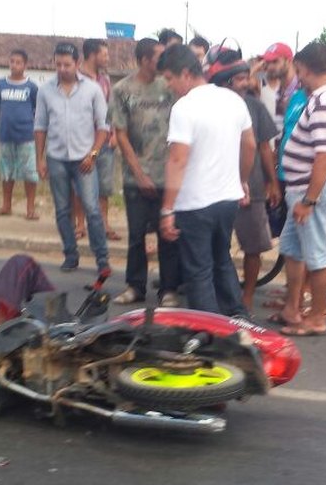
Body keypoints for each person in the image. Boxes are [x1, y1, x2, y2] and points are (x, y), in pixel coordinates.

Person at [157, 44, 255, 317]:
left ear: (186, 74)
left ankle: (209, 334)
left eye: (169, 78)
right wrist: (242, 180)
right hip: (227, 199)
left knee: (198, 271)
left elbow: (177, 160)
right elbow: (250, 145)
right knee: (222, 260)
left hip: (195, 204)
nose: (169, 85)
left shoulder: (184, 108)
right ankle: (238, 320)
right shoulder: (233, 100)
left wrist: (167, 209)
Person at [272, 43, 326, 337]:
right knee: (293, 249)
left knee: (318, 255)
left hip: (310, 191)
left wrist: (310, 199)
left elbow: (324, 155)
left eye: (298, 71)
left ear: (305, 68)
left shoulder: (323, 102)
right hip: (303, 188)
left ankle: (318, 316)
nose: (298, 77)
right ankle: (293, 308)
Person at [110, 38, 180, 306]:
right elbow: (121, 134)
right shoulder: (122, 90)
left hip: (168, 176)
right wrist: (139, 174)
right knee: (136, 234)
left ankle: (169, 289)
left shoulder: (170, 87)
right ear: (143, 60)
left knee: (168, 235)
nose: (163, 63)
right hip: (135, 177)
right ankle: (135, 286)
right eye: (158, 58)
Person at [209, 47, 280, 310]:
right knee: (218, 246)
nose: (247, 83)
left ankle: (247, 295)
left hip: (252, 186)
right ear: (227, 82)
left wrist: (272, 182)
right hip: (217, 187)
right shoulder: (210, 107)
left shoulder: (254, 107)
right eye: (240, 79)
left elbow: (264, 147)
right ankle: (220, 294)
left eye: (246, 78)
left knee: (252, 246)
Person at [34, 42, 111, 274]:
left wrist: (93, 154)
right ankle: (70, 254)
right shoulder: (45, 90)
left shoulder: (92, 89)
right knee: (62, 209)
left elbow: (104, 126)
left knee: (92, 208)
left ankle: (102, 259)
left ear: (77, 63)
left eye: (67, 64)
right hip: (56, 158)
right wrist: (39, 159)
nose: (62, 68)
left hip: (84, 159)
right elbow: (40, 126)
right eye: (58, 64)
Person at [73, 38, 120, 241]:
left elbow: (111, 110)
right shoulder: (75, 79)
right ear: (92, 55)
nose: (107, 58)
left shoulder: (105, 80)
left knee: (104, 185)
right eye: (104, 54)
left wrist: (115, 133)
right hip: (82, 142)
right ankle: (79, 225)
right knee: (80, 186)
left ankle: (104, 223)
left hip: (105, 141)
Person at [0, 49, 39, 220]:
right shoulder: (1, 84)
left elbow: (36, 111)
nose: (14, 65)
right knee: (7, 172)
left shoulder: (31, 87)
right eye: (12, 61)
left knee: (30, 173)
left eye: (18, 62)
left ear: (25, 65)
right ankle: (6, 205)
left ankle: (30, 208)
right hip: (6, 136)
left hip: (26, 136)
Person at [262, 42, 298, 125]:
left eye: (275, 61)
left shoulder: (304, 87)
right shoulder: (278, 90)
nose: (269, 67)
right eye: (267, 62)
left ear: (289, 61)